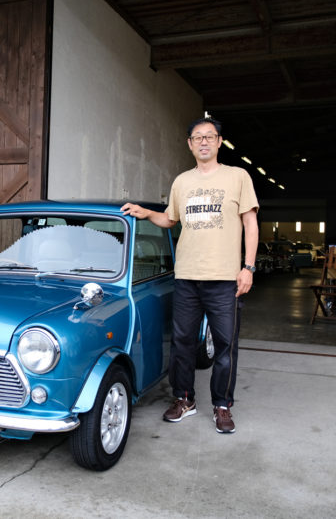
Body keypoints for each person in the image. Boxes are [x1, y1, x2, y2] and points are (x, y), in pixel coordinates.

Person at [121, 116, 259, 433]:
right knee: (182, 343)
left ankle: (222, 405)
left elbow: (250, 223)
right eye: (198, 137)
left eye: (210, 136)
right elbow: (170, 219)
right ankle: (184, 399)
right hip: (186, 277)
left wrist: (248, 267)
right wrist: (146, 213)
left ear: (220, 142)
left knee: (225, 345)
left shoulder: (238, 177)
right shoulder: (182, 182)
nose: (204, 141)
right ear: (190, 144)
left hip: (224, 279)